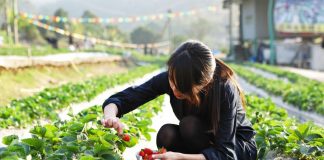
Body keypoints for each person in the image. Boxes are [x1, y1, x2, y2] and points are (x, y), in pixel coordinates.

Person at [101, 40, 257, 160]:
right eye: (172, 81)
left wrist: (182, 157)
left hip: (235, 148)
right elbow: (128, 97)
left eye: (182, 88)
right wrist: (110, 116)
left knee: (189, 125)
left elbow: (226, 153)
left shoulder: (224, 89)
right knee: (166, 135)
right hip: (204, 142)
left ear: (204, 83)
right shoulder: (173, 78)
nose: (174, 90)